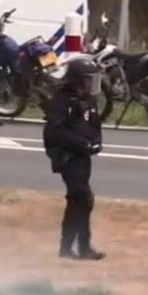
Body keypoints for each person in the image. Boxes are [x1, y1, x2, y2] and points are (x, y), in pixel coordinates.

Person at [43, 57, 105, 261]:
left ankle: (72, 248)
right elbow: (54, 132)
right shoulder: (61, 102)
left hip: (84, 157)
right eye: (88, 80)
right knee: (84, 198)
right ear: (77, 80)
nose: (91, 84)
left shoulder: (89, 101)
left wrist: (96, 141)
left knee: (76, 202)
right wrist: (81, 143)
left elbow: (95, 124)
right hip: (68, 157)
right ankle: (78, 246)